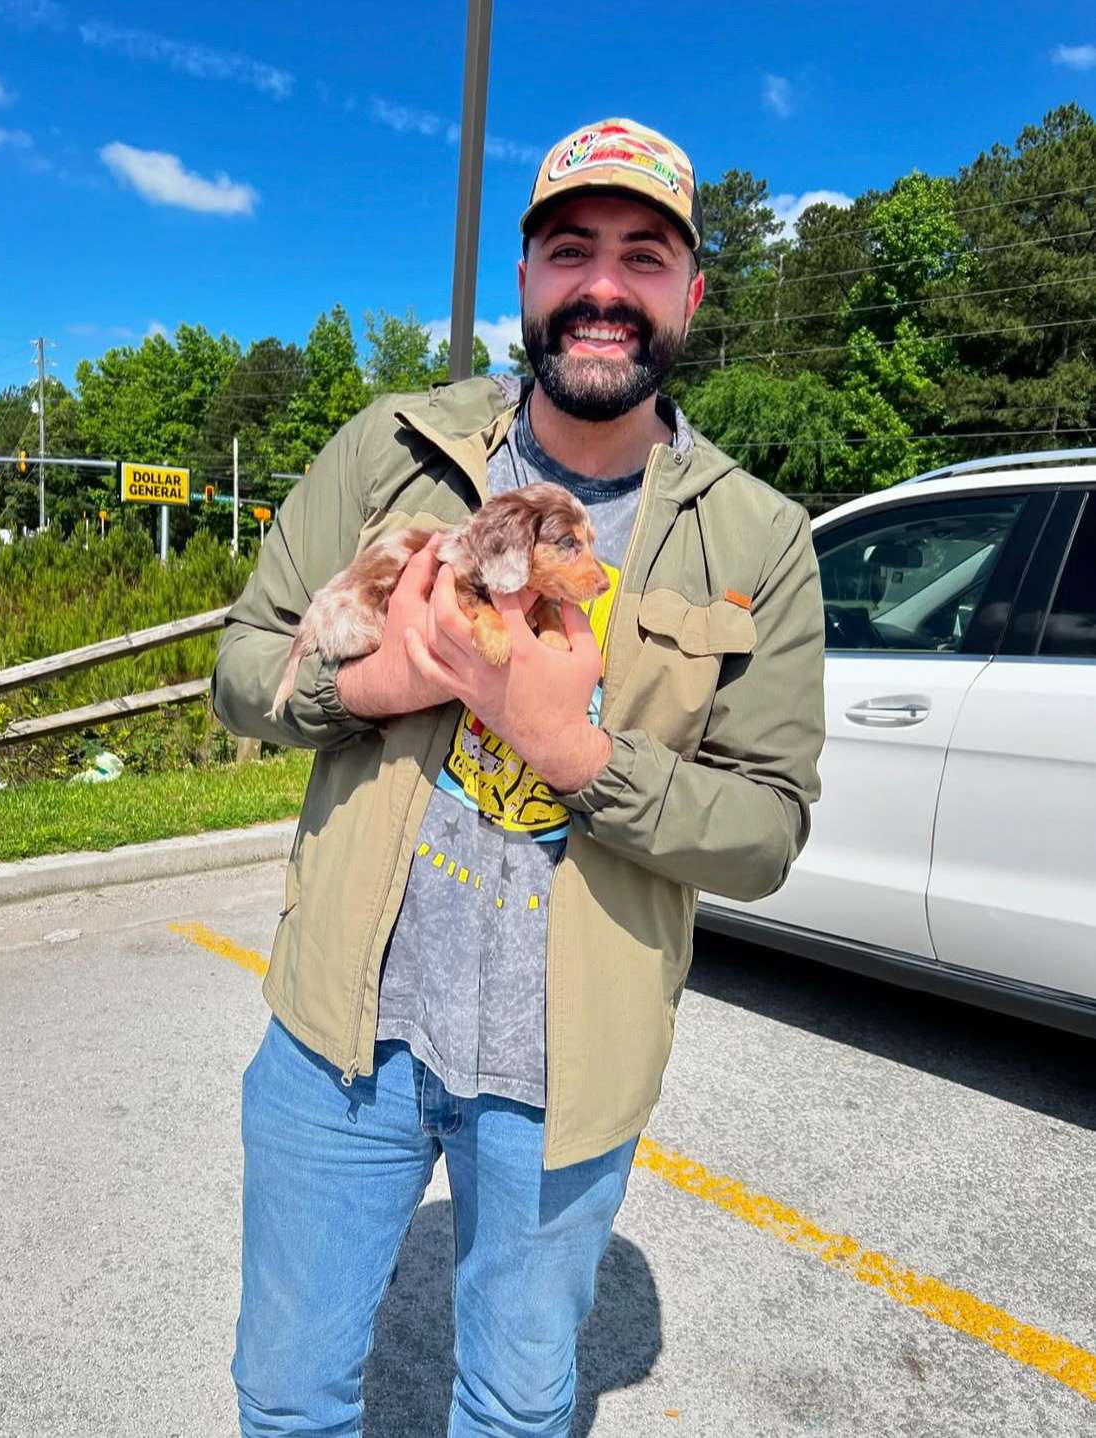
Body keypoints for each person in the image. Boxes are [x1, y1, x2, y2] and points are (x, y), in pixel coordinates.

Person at [211, 116, 826, 1438]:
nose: (603, 286)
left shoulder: (759, 539)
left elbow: (766, 827)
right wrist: (364, 687)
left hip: (566, 1068)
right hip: (339, 1043)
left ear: (690, 292)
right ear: (527, 280)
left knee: (511, 1404)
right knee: (288, 1397)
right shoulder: (392, 449)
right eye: (569, 251)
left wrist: (572, 753)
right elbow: (242, 665)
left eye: (643, 255)